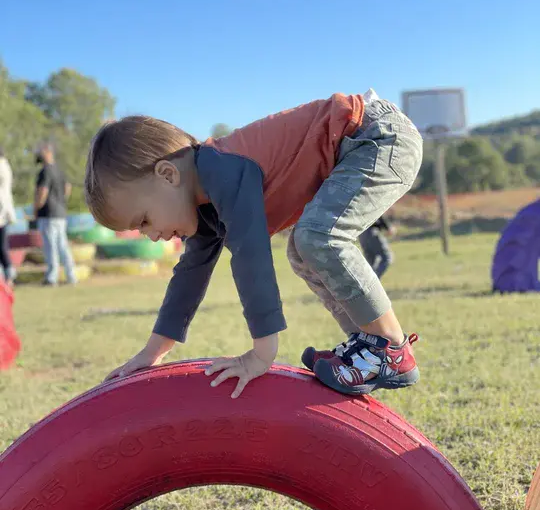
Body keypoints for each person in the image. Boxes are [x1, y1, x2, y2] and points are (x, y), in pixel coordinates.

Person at [84, 89, 423, 398]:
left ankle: (389, 348)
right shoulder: (203, 207)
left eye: (143, 220)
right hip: (360, 145)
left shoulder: (222, 169)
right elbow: (188, 279)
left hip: (375, 135)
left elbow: (251, 256)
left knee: (317, 237)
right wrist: (152, 353)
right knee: (303, 252)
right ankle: (367, 346)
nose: (151, 235)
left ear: (168, 175)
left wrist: (261, 354)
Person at [34, 144, 77, 286]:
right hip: (60, 213)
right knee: (62, 246)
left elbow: (43, 191)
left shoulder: (45, 171)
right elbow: (67, 188)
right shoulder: (60, 170)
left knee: (50, 246)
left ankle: (52, 278)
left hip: (48, 214)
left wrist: (37, 207)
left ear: (48, 153)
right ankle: (71, 276)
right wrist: (61, 201)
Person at [359, 215, 396, 279]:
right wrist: (387, 227)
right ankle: (372, 282)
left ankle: (364, 284)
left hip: (361, 233)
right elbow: (379, 213)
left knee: (370, 263)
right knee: (387, 257)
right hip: (372, 231)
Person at [0, 148, 16, 286]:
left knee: (2, 247)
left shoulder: (1, 166)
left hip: (1, 213)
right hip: (4, 212)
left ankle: (9, 277)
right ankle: (8, 277)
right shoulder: (4, 165)